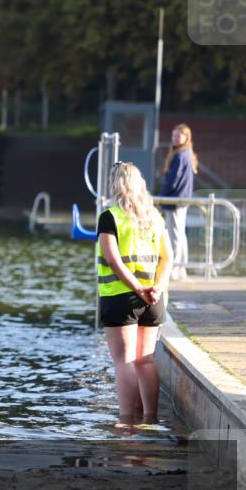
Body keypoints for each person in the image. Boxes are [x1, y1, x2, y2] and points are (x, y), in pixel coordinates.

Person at [97, 162, 172, 428]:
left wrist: (137, 289)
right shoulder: (154, 216)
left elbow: (114, 261)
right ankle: (150, 419)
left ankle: (127, 422)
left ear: (115, 184)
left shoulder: (110, 217)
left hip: (121, 297)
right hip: (153, 299)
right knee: (145, 359)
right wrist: (156, 288)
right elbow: (167, 258)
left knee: (124, 360)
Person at [158, 123, 198, 280]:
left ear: (186, 137)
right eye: (173, 135)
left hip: (175, 200)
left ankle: (174, 269)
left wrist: (161, 197)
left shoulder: (181, 156)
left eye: (178, 135)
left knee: (175, 235)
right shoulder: (186, 154)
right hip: (181, 200)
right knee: (180, 235)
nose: (174, 138)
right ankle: (181, 269)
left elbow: (172, 181)